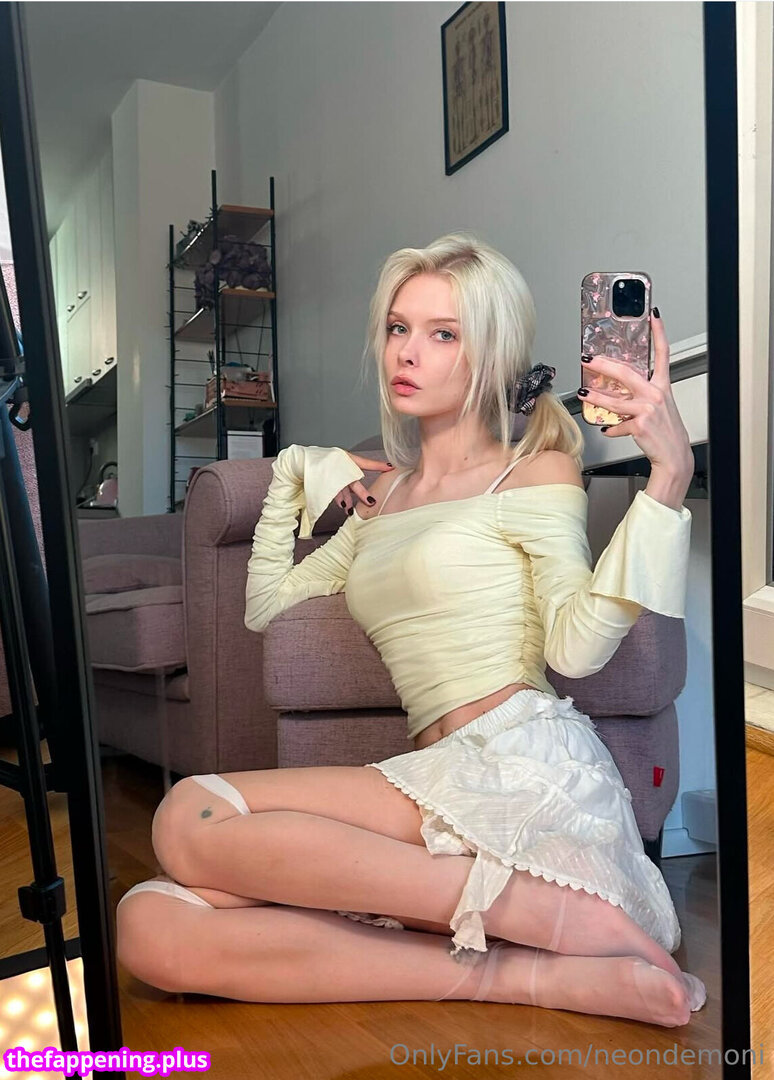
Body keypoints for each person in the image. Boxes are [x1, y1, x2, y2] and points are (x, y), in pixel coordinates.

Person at [116, 233, 706, 1027]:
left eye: (443, 333)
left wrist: (666, 484)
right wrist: (293, 472)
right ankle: (527, 971)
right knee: (150, 926)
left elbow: (574, 650)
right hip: (430, 786)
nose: (408, 351)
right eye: (399, 327)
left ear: (490, 354)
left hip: (517, 770)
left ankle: (541, 911)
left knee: (189, 814)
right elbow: (265, 607)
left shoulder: (532, 471)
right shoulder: (379, 501)